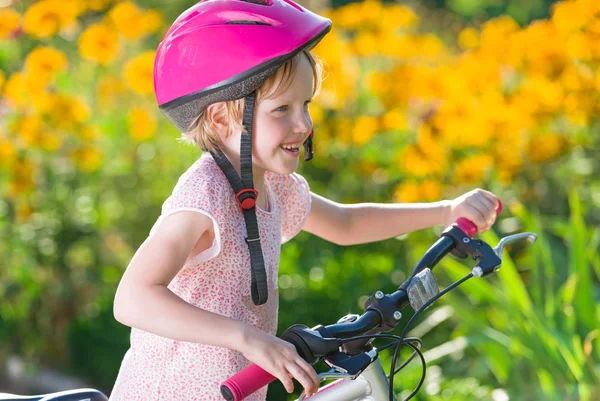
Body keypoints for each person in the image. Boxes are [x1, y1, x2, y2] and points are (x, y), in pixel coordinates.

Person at [108, 0, 500, 400]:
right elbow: (133, 298)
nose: (304, 124)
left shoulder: (274, 185)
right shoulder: (204, 195)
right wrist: (248, 338)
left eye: (306, 105)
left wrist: (446, 211)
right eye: (282, 109)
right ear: (221, 118)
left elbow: (345, 224)